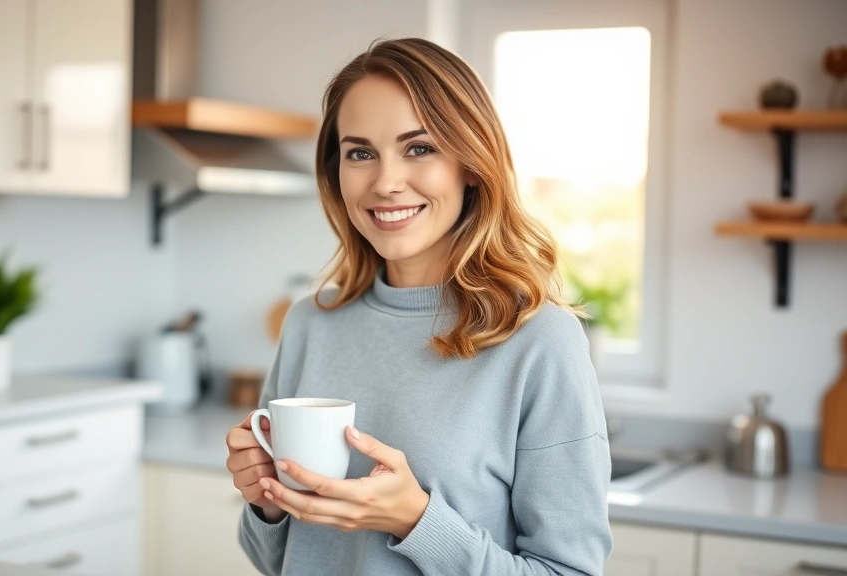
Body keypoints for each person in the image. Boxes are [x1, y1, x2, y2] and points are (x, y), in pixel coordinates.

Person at [225, 37, 612, 576]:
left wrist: (415, 521)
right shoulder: (311, 323)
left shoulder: (540, 340)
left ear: (472, 164)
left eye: (419, 148)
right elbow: (278, 561)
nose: (385, 182)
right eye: (360, 153)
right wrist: (266, 503)